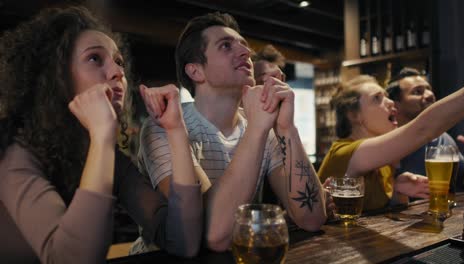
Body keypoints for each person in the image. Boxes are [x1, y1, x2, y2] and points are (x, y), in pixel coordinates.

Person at [0, 6, 201, 264]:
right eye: (95, 58)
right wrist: (102, 136)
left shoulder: (107, 156)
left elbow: (183, 241)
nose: (118, 72)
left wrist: (176, 131)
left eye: (118, 61)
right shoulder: (14, 153)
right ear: (55, 77)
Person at [138, 12, 327, 252]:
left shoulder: (261, 126)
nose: (246, 53)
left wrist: (286, 128)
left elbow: (311, 219)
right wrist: (259, 127)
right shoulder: (164, 125)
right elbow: (214, 235)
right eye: (226, 46)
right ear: (196, 71)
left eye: (244, 46)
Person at [318, 75, 464, 211]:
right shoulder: (343, 152)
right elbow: (423, 129)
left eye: (387, 97)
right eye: (377, 98)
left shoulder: (384, 163)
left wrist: (398, 190)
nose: (391, 102)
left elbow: (378, 212)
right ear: (353, 115)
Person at [386, 67, 464, 191]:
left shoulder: (441, 137)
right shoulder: (387, 142)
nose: (430, 95)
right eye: (417, 92)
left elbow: (463, 175)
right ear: (395, 104)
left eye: (429, 89)